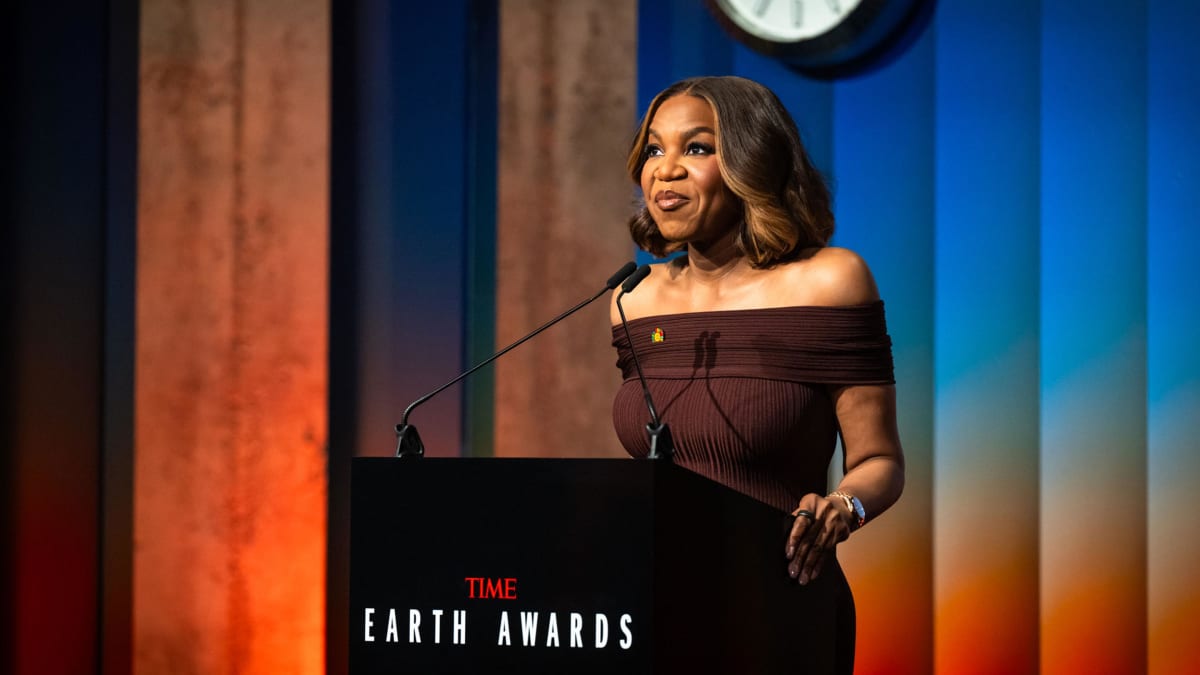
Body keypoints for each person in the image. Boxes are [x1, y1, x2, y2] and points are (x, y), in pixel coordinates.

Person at [610, 76, 905, 671]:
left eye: (696, 148)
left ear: (751, 161)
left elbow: (881, 462)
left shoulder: (830, 282)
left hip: (779, 612)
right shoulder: (634, 299)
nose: (665, 170)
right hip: (658, 615)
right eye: (653, 149)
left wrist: (844, 507)